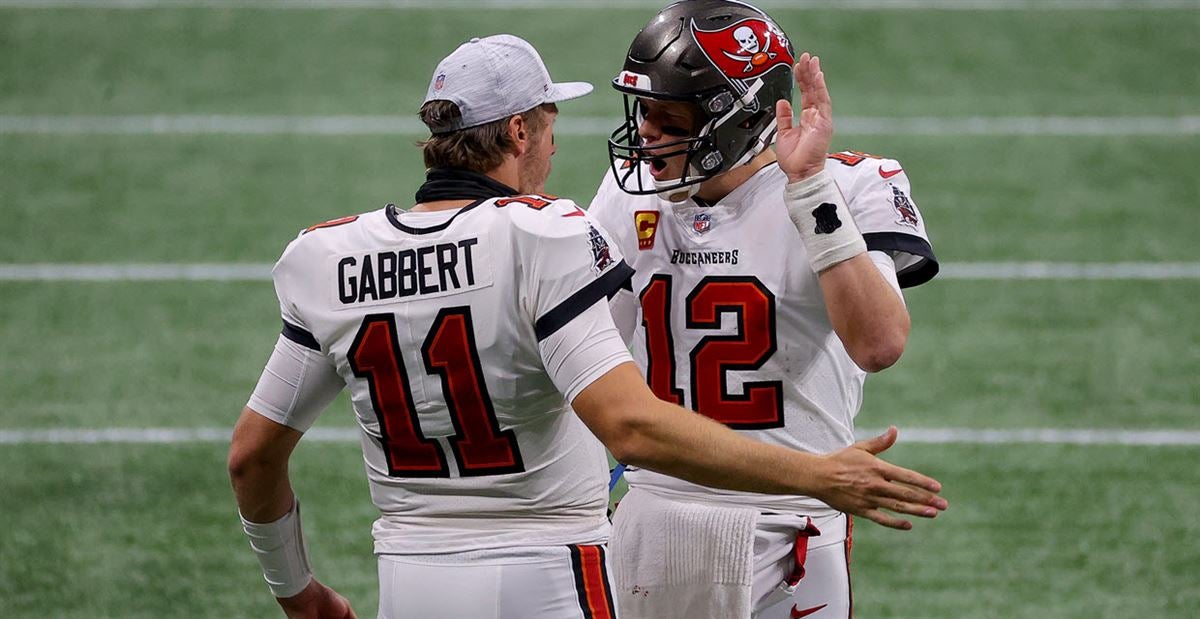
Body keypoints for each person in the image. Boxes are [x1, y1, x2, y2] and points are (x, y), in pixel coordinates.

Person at [228, 33, 945, 619]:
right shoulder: (552, 233)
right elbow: (627, 421)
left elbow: (251, 456)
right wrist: (819, 474)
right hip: (577, 557)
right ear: (518, 130)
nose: (644, 138)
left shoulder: (328, 254)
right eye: (547, 124)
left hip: (417, 571)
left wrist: (297, 589)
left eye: (670, 120)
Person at [588, 2, 942, 618]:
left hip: (792, 517)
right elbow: (591, 366)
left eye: (668, 116)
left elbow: (880, 343)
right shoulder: (627, 192)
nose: (645, 134)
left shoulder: (848, 185)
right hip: (659, 507)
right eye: (643, 111)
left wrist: (809, 190)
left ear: (737, 117)